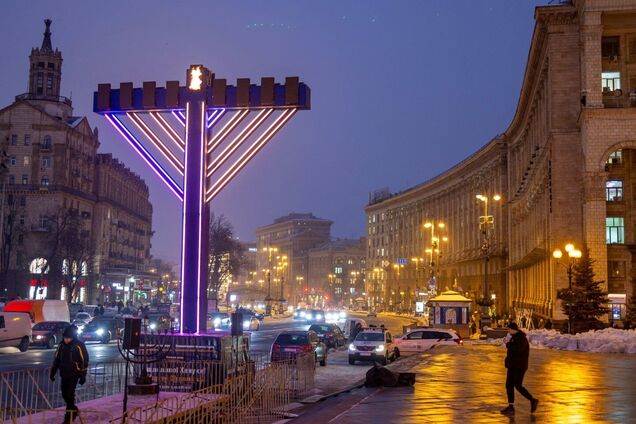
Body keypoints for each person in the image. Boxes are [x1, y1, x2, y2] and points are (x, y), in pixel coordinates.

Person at [50, 325, 89, 423]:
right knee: (64, 394)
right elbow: (57, 359)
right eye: (65, 338)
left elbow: (84, 360)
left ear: (73, 337)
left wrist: (82, 375)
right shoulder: (61, 345)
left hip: (74, 374)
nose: (66, 340)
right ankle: (73, 409)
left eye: (68, 338)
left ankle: (69, 416)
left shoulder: (79, 345)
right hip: (64, 373)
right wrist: (53, 372)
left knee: (70, 393)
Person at [501, 322, 538, 415]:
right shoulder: (515, 337)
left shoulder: (521, 338)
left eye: (509, 329)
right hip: (512, 365)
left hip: (519, 366)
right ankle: (511, 406)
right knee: (509, 385)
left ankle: (532, 400)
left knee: (518, 385)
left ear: (514, 329)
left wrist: (508, 344)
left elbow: (518, 350)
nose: (508, 331)